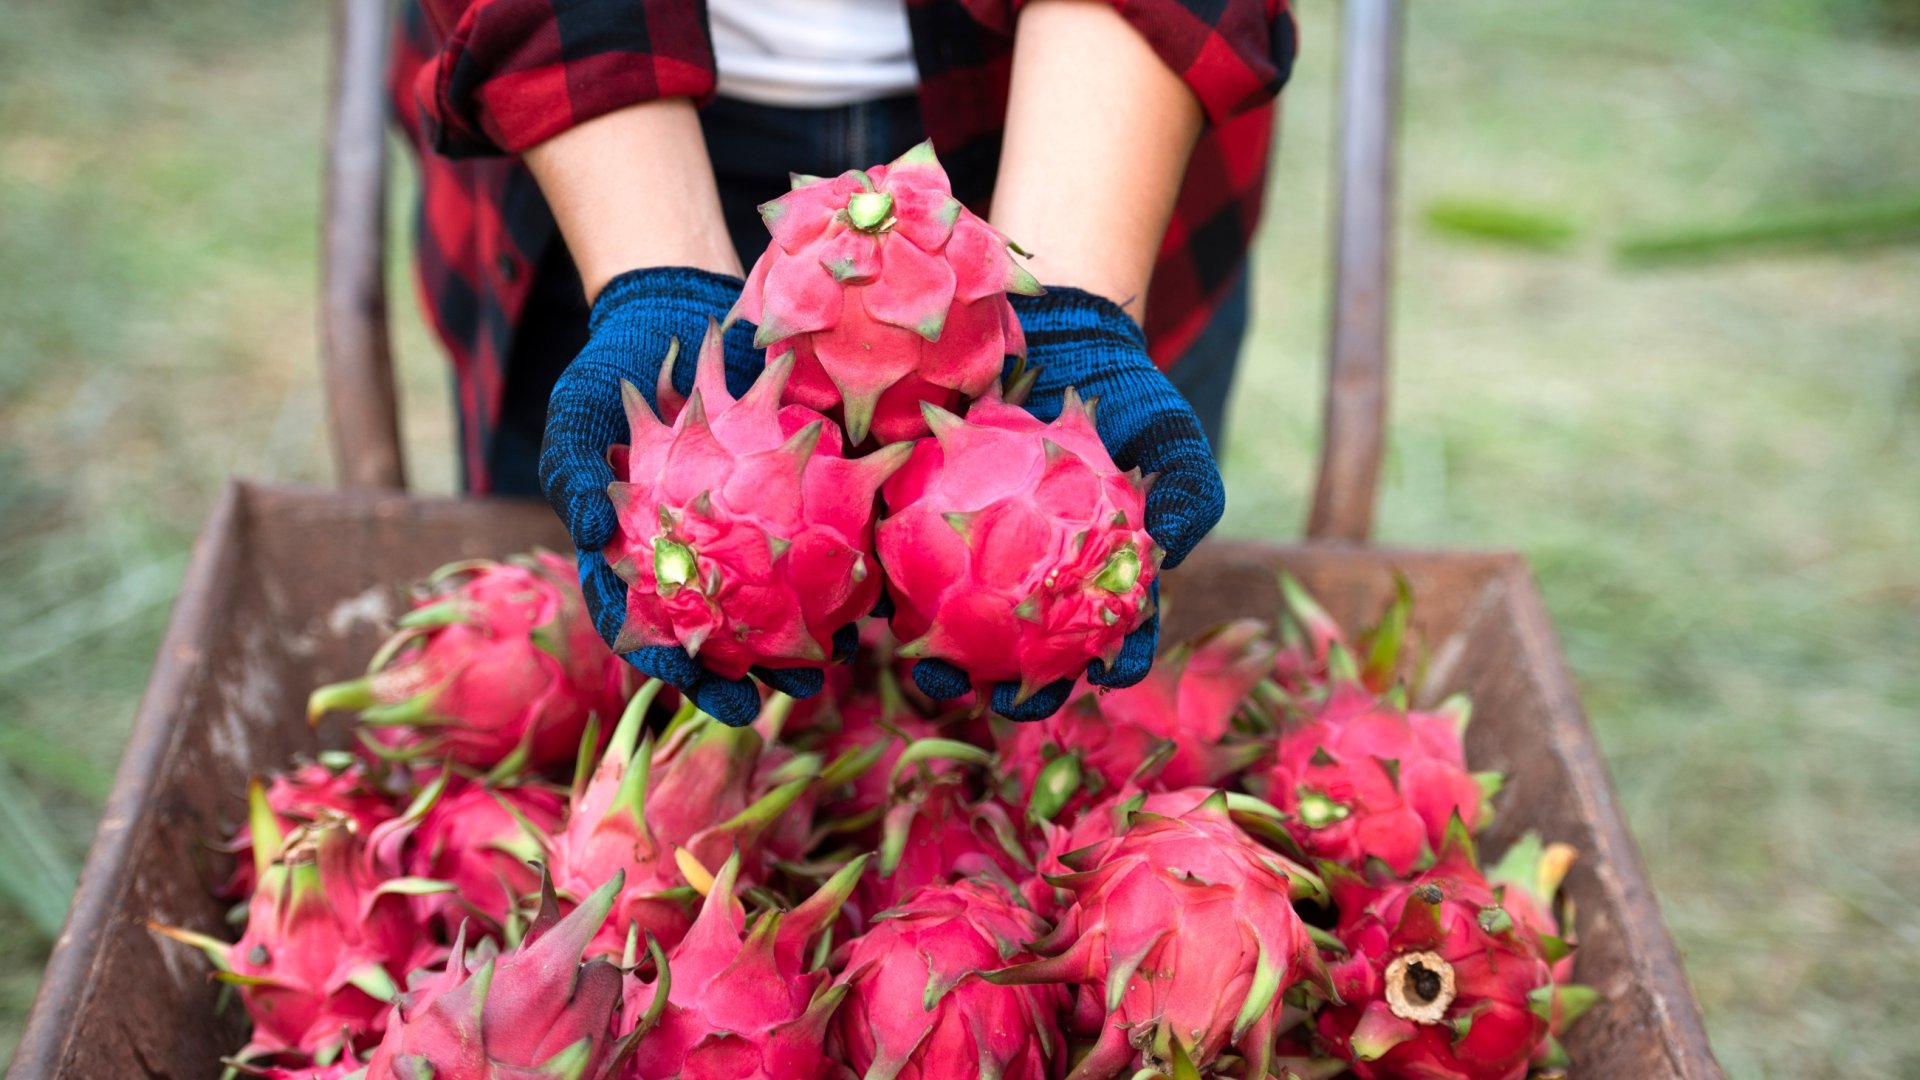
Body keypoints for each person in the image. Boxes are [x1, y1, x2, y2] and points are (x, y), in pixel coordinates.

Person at [390, 0, 1298, 724]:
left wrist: (1075, 298)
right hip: (595, 135)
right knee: (603, 648)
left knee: (1061, 731)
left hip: (1099, 127)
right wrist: (650, 272)